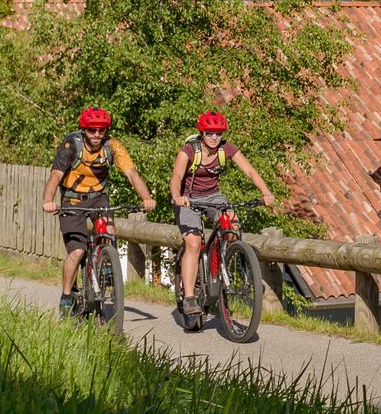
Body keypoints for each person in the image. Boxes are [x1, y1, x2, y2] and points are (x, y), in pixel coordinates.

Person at [40, 107, 157, 317]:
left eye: (101, 131)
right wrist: (48, 200)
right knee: (77, 251)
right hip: (72, 200)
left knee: (108, 233)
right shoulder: (70, 145)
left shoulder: (112, 146)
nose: (96, 135)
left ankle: (105, 270)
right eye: (92, 130)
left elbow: (131, 173)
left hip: (98, 198)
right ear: (84, 130)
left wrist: (146, 198)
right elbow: (56, 175)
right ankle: (67, 296)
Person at [171, 111, 277, 320]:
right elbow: (176, 177)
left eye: (218, 134)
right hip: (188, 199)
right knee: (193, 243)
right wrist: (177, 196)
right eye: (209, 133)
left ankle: (220, 263)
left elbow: (249, 170)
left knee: (233, 226)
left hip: (214, 197)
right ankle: (190, 297)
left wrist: (265, 192)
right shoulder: (189, 151)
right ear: (202, 133)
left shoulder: (225, 149)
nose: (214, 137)